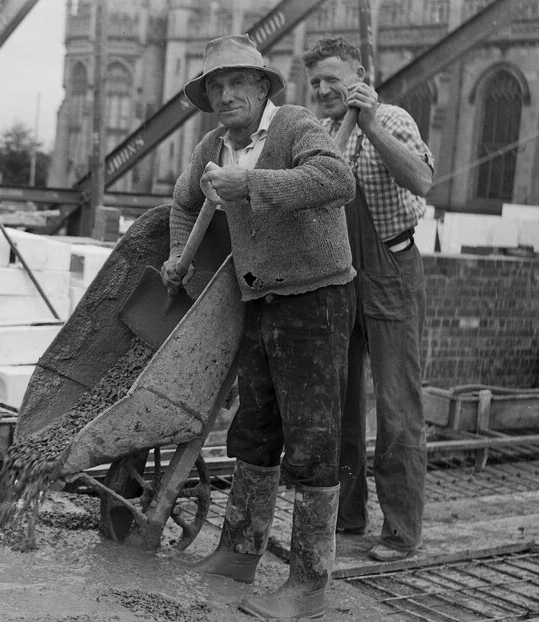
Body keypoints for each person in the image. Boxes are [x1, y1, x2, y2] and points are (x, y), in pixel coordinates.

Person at [164, 35, 356, 619]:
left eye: (237, 83)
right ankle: (240, 550)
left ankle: (308, 584)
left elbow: (336, 180)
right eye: (216, 87)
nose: (226, 95)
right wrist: (179, 256)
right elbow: (180, 204)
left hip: (316, 297)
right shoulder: (214, 146)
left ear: (262, 87)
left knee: (313, 439)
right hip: (258, 298)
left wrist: (249, 185)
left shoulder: (295, 125)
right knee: (255, 429)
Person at [303, 37, 434, 563]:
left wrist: (372, 124)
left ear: (358, 74)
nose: (323, 89)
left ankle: (402, 532)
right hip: (338, 275)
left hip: (391, 270)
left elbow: (423, 179)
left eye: (333, 77)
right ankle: (348, 518)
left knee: (398, 408)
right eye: (315, 82)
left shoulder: (394, 118)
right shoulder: (319, 135)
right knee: (341, 405)